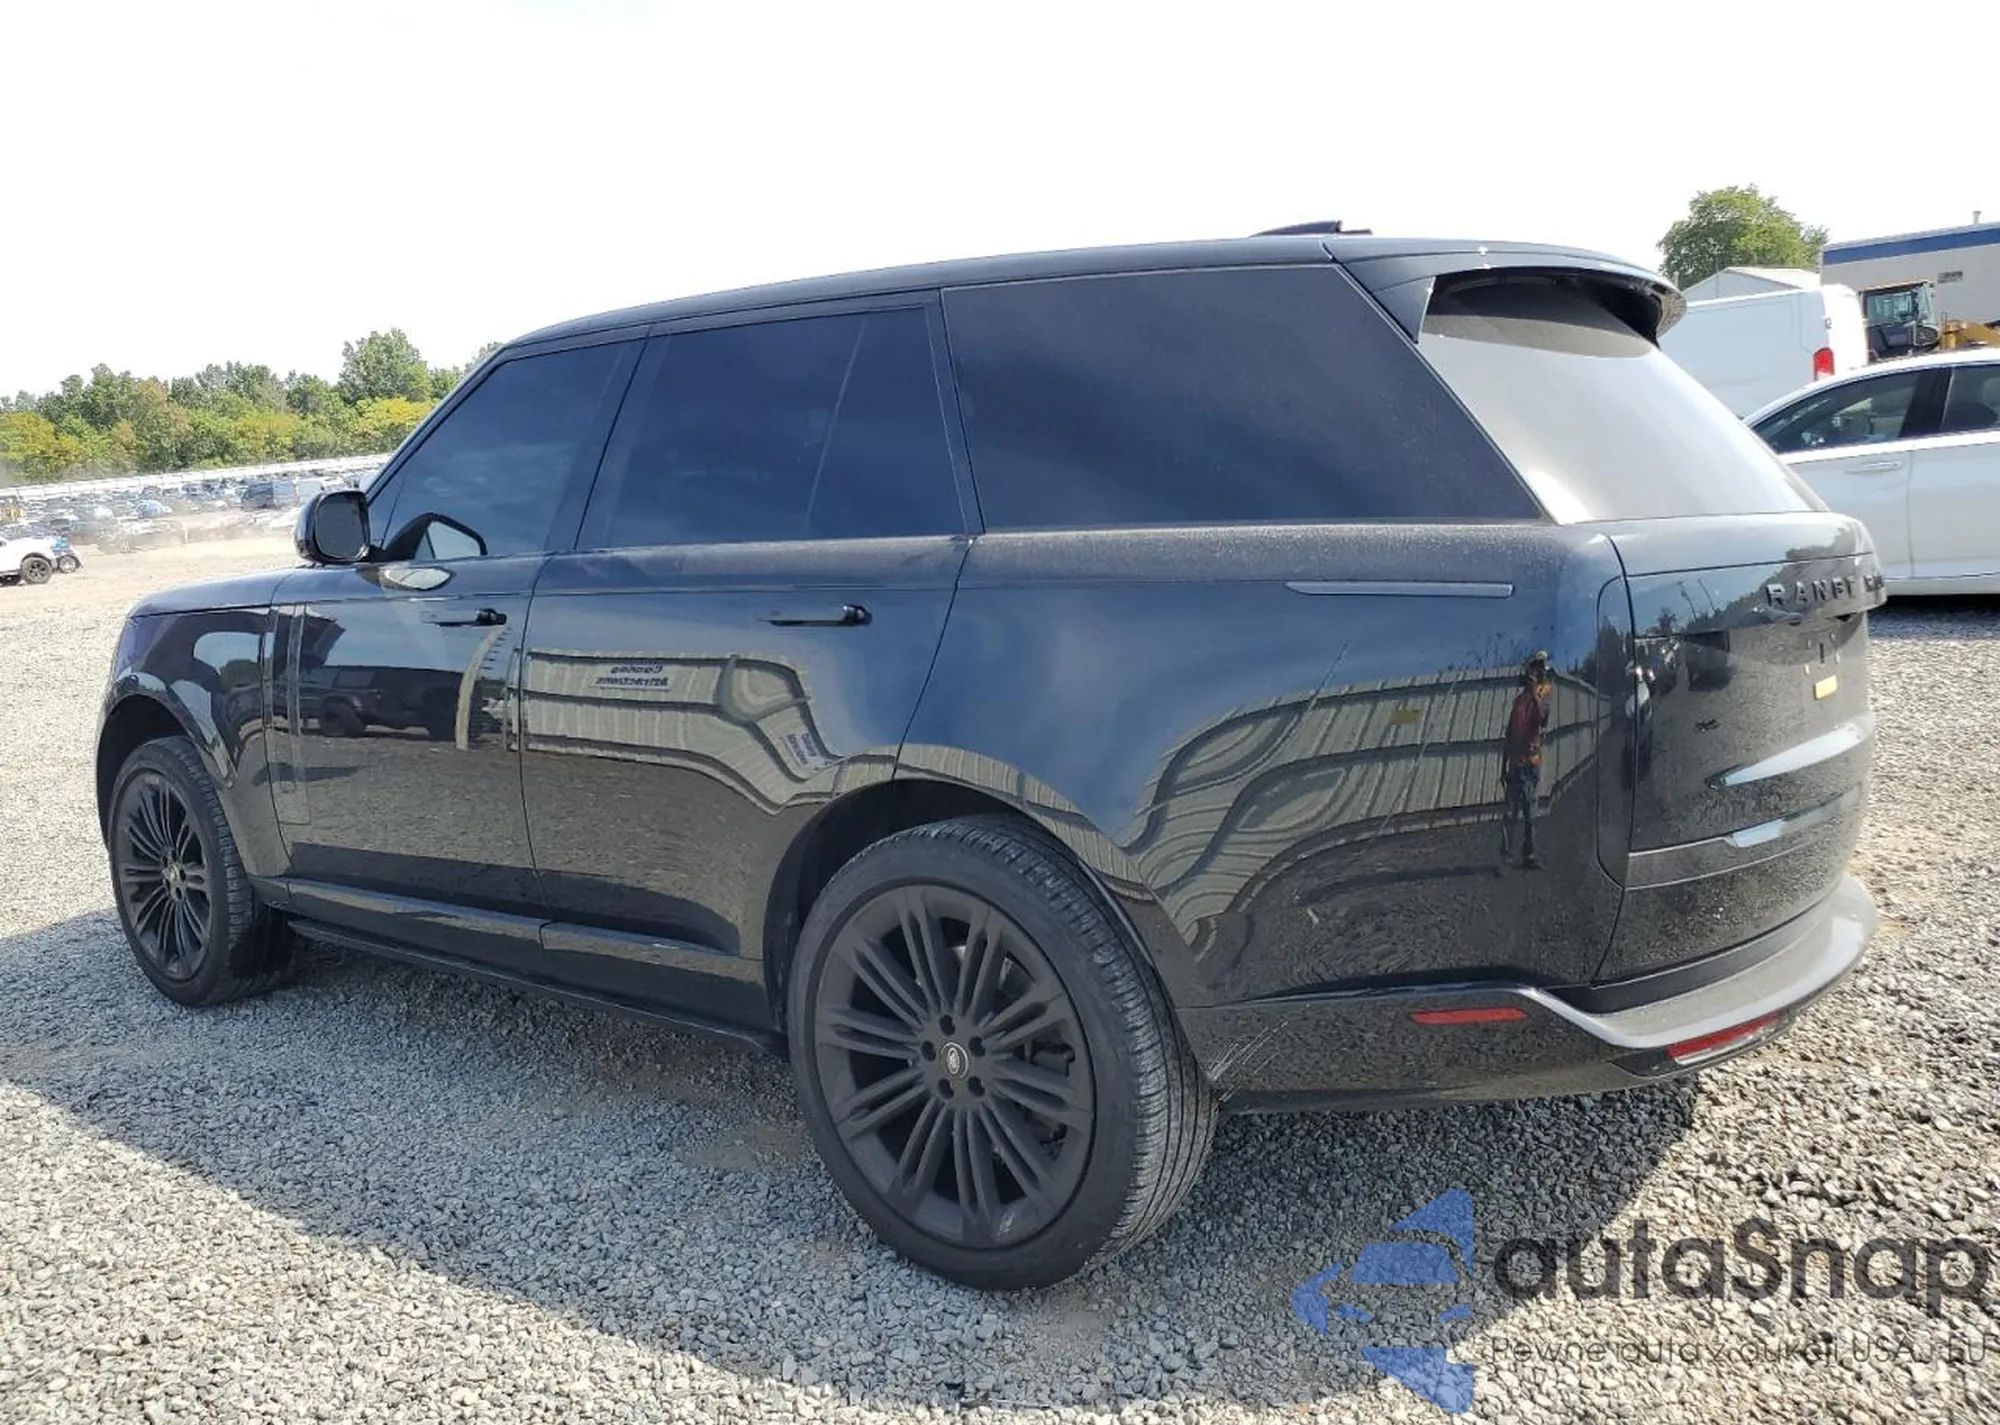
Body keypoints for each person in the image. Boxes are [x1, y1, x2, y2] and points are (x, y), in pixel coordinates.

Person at [1500, 651, 1554, 869]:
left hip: (1530, 764)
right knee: (1509, 814)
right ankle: (1506, 856)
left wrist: (1534, 692)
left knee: (1530, 814)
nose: (1535, 671)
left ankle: (1529, 855)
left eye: (1539, 667)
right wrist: (1503, 766)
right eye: (1533, 667)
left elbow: (1542, 719)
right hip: (1515, 764)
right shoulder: (1518, 701)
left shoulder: (1544, 692)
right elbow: (1509, 734)